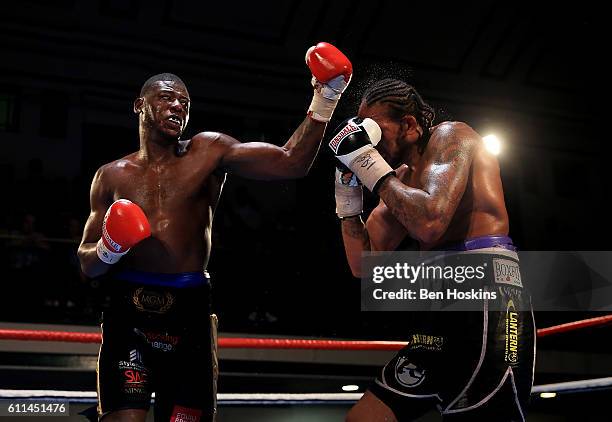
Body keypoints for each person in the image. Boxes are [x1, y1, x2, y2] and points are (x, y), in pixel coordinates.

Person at [77, 42, 352, 422]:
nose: (178, 107)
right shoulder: (110, 176)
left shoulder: (208, 151)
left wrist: (327, 97)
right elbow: (86, 263)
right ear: (140, 105)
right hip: (129, 313)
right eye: (168, 98)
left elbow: (291, 163)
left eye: (185, 103)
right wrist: (109, 248)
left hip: (189, 313)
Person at [329, 79, 535, 421]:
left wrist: (367, 163)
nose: (369, 143)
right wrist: (346, 192)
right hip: (438, 313)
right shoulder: (402, 179)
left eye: (376, 131)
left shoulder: (453, 136)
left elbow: (430, 222)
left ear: (409, 125)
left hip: (487, 301)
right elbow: (362, 265)